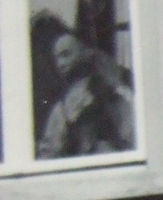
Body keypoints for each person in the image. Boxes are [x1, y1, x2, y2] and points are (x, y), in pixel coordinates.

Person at [36, 18, 135, 159]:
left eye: (66, 54)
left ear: (84, 53)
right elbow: (48, 154)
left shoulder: (113, 95)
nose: (61, 63)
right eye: (57, 58)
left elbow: (134, 136)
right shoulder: (62, 109)